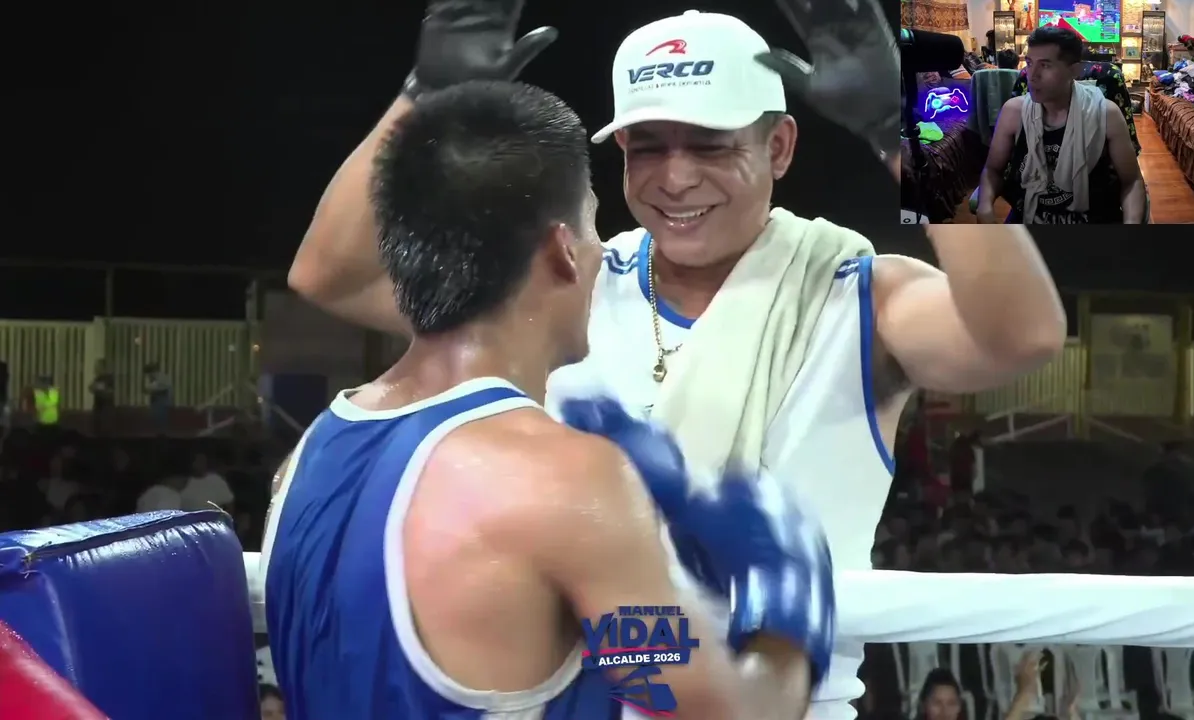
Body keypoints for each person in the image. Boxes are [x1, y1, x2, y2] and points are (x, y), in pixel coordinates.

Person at [286, 0, 1066, 717]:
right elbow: (332, 276)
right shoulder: (570, 286)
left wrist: (900, 131)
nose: (676, 177)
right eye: (648, 146)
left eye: (710, 145)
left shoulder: (851, 293)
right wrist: (425, 95)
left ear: (779, 146)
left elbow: (1023, 334)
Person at [259, 5, 835, 716]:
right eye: (594, 229)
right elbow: (702, 707)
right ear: (563, 250)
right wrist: (785, 616)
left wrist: (421, 95)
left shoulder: (308, 453)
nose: (605, 255)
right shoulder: (567, 481)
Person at [977, 26, 1145, 224]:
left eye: (1045, 65)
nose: (1032, 75)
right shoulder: (1013, 112)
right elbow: (993, 171)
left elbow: (1132, 181)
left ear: (1073, 70)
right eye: (1029, 63)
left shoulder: (1106, 114)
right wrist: (985, 207)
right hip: (1028, 220)